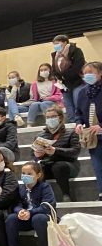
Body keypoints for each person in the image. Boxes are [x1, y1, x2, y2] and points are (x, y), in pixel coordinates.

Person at [5, 162, 56, 246]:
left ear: (38, 175)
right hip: (26, 219)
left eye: (29, 174)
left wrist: (31, 212)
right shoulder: (20, 188)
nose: (25, 176)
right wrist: (20, 211)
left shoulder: (45, 187)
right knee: (11, 219)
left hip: (41, 218)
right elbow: (16, 204)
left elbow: (47, 206)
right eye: (23, 173)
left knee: (38, 218)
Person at [32, 107, 80, 202]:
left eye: (53, 116)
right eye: (48, 117)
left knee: (58, 166)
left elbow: (75, 152)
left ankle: (66, 195)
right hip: (48, 164)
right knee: (37, 168)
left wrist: (55, 150)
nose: (50, 119)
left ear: (61, 118)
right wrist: (37, 156)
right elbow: (33, 154)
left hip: (68, 165)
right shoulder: (40, 135)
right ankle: (39, 198)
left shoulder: (71, 133)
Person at [74, 61, 102, 201]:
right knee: (98, 167)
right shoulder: (82, 92)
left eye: (90, 72)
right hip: (93, 137)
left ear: (100, 73)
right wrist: (78, 124)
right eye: (85, 73)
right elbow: (78, 112)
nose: (87, 76)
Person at [52, 34, 87, 115]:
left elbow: (78, 66)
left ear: (64, 42)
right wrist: (58, 77)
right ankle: (72, 123)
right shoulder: (55, 55)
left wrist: (64, 76)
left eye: (57, 43)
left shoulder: (75, 50)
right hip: (64, 84)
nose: (55, 46)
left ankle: (81, 122)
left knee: (77, 101)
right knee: (68, 105)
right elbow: (54, 68)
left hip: (77, 82)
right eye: (54, 44)